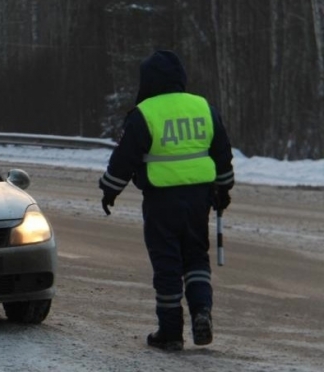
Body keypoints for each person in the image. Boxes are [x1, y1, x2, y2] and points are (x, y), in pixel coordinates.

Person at [98, 50, 234, 351]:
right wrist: (224, 189)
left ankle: (171, 332)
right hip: (199, 197)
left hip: (162, 201)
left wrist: (109, 189)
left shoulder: (145, 113)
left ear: (149, 80)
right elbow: (222, 151)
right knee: (196, 258)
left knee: (167, 264)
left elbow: (125, 158)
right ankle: (201, 310)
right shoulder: (203, 107)